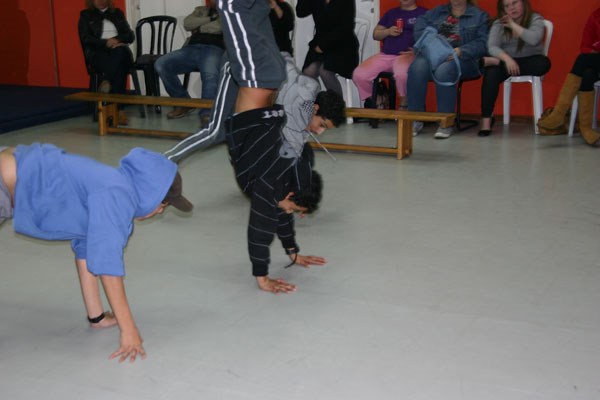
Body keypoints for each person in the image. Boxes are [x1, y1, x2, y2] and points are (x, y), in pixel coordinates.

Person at [0, 144, 192, 362]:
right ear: (150, 191)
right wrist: (129, 330)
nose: (159, 211)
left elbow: (87, 249)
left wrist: (97, 317)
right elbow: (107, 265)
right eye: (163, 204)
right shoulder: (116, 194)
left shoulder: (112, 188)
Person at [163, 53, 345, 163]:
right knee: (216, 132)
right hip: (238, 67)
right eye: (322, 125)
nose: (319, 132)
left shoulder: (307, 104)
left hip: (254, 84)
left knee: (252, 134)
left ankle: (241, 158)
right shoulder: (299, 99)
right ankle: (167, 159)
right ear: (315, 109)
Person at [408, 0, 488, 139]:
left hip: (464, 59)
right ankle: (415, 119)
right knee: (417, 66)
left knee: (444, 70)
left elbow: (483, 43)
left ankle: (445, 122)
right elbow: (420, 24)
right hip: (436, 55)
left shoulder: (480, 16)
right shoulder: (438, 12)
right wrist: (430, 45)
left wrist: (461, 51)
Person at [478, 0, 551, 137]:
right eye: (507, 6)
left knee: (544, 64)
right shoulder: (499, 23)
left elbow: (534, 39)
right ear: (503, 9)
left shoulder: (535, 18)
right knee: (491, 73)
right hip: (507, 63)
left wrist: (512, 25)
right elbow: (492, 47)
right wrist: (507, 59)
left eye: (515, 3)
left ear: (523, 3)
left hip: (530, 61)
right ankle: (486, 121)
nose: (512, 8)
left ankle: (497, 62)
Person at [537, 7, 600, 146]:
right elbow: (585, 45)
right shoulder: (596, 16)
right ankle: (586, 129)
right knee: (587, 73)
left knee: (582, 60)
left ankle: (559, 113)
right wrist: (593, 55)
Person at [154, 0, 225, 123]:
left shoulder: (228, 12)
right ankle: (183, 103)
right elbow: (187, 24)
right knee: (161, 63)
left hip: (214, 48)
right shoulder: (200, 10)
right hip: (191, 48)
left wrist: (199, 27)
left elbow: (220, 27)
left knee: (210, 74)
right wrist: (210, 19)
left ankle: (207, 112)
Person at [352, 0, 427, 110]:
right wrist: (388, 31)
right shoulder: (391, 13)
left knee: (401, 74)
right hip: (386, 55)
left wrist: (418, 51)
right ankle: (378, 100)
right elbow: (375, 35)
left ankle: (405, 103)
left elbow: (433, 37)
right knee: (359, 74)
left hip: (408, 56)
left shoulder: (424, 14)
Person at [78, 0, 135, 125]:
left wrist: (116, 40)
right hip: (98, 54)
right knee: (119, 67)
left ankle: (106, 80)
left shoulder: (117, 13)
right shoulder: (86, 15)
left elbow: (130, 36)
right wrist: (105, 43)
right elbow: (85, 38)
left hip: (119, 50)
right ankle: (119, 111)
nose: (101, 1)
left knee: (120, 53)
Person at [296, 0, 359, 97]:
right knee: (308, 72)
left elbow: (347, 26)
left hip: (343, 44)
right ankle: (317, 102)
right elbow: (300, 12)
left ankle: (337, 104)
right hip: (320, 42)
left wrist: (323, 45)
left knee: (325, 71)